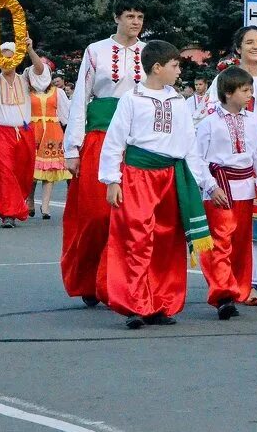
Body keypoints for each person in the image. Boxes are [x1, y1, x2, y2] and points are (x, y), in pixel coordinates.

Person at [99, 40, 209, 329]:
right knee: (137, 238)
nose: (178, 71)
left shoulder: (178, 102)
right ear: (157, 68)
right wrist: (112, 179)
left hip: (171, 176)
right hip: (138, 175)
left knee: (166, 241)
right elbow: (115, 140)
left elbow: (190, 143)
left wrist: (197, 181)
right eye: (174, 66)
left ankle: (160, 302)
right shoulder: (132, 99)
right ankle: (134, 303)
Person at [62, 0, 147, 306]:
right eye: (129, 16)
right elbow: (81, 97)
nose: (135, 22)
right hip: (98, 136)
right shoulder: (95, 51)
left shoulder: (148, 52)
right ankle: (88, 278)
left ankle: (118, 283)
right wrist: (73, 146)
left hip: (136, 141)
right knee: (96, 214)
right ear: (116, 18)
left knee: (130, 217)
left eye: (139, 17)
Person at [197, 28, 257, 306]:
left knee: (256, 224)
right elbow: (209, 118)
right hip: (227, 160)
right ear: (237, 48)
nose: (255, 46)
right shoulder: (223, 80)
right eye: (249, 42)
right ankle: (237, 284)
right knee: (229, 227)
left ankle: (251, 281)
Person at [189, 66, 257, 320]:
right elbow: (195, 156)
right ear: (228, 92)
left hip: (245, 188)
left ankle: (237, 288)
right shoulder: (210, 123)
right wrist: (210, 185)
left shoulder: (253, 120)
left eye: (250, 89)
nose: (250, 94)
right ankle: (222, 294)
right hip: (219, 188)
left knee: (239, 242)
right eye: (245, 90)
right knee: (220, 243)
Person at [0, 39, 50, 227]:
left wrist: (31, 49)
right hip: (0, 132)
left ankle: (15, 204)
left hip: (24, 132)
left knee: (23, 173)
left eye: (11, 58)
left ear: (16, 59)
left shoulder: (25, 77)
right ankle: (8, 213)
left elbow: (40, 71)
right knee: (4, 173)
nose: (7, 62)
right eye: (4, 58)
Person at [29, 80, 72, 219]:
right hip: (33, 130)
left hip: (52, 132)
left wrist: (69, 131)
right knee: (31, 169)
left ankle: (45, 205)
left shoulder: (57, 92)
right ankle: (30, 201)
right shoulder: (27, 91)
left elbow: (65, 113)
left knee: (49, 169)